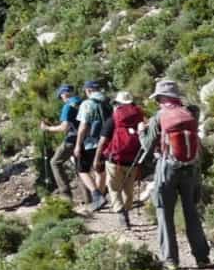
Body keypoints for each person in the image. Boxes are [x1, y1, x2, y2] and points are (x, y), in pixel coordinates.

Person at [149, 79, 214, 270]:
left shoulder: (158, 117)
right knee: (191, 212)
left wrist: (141, 133)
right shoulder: (190, 113)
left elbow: (147, 145)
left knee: (164, 213)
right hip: (191, 169)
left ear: (162, 97)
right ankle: (202, 257)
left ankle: (170, 260)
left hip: (167, 168)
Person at [103, 89, 145, 229]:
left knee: (114, 188)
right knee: (129, 189)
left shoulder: (114, 119)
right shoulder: (139, 118)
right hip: (132, 159)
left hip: (114, 159)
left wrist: (98, 158)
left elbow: (103, 140)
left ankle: (121, 213)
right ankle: (127, 210)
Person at [74, 81, 112, 212]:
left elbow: (83, 126)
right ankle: (99, 200)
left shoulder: (87, 104)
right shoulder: (108, 102)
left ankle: (96, 195)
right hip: (106, 142)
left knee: (82, 170)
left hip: (90, 142)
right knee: (100, 171)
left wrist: (78, 145)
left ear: (89, 90)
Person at [40, 85, 79, 195]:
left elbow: (64, 127)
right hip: (86, 139)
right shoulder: (82, 101)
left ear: (63, 94)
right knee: (80, 168)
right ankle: (89, 199)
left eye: (61, 97)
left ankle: (65, 194)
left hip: (72, 139)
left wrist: (48, 128)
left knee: (55, 162)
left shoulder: (68, 106)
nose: (62, 99)